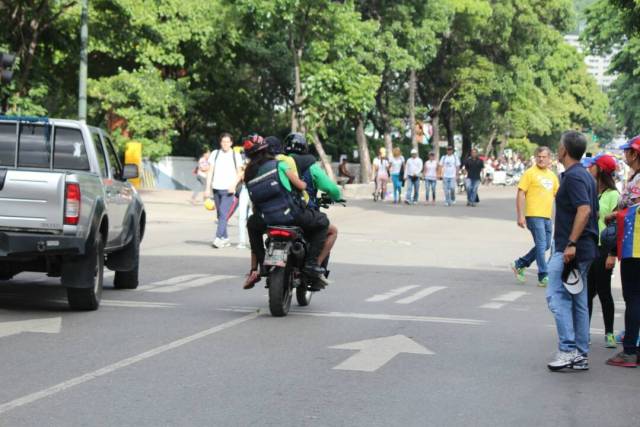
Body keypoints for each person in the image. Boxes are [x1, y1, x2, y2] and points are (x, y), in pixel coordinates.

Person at [242, 136, 329, 291]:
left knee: (251, 225)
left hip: (265, 219)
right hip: (292, 216)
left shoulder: (248, 174)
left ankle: (262, 263)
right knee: (323, 223)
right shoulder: (279, 165)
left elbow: (254, 201)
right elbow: (301, 185)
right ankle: (310, 264)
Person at [546, 131, 599, 372]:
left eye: (559, 146)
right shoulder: (584, 175)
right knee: (578, 300)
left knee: (557, 297)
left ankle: (568, 350)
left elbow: (584, 210)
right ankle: (580, 353)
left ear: (565, 150)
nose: (557, 150)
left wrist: (571, 244)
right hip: (583, 249)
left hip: (573, 249)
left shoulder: (575, 177)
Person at [605, 135, 640, 367]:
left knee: (634, 298)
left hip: (635, 246)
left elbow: (633, 210)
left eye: (627, 151)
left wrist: (614, 215)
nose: (625, 155)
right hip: (632, 245)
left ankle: (629, 352)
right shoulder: (633, 177)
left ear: (635, 154)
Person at [284, 133, 342, 267]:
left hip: (278, 212)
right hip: (303, 212)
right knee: (331, 231)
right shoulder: (311, 166)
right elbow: (331, 189)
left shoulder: (278, 163)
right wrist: (337, 197)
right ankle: (314, 265)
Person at [583, 154, 619, 348]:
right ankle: (584, 332)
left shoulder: (614, 195)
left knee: (604, 292)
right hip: (588, 247)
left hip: (604, 248)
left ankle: (609, 333)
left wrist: (612, 253)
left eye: (593, 166)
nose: (590, 168)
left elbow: (617, 226)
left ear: (601, 170)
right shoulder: (589, 191)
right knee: (587, 293)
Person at [511, 146, 559, 287]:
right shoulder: (529, 173)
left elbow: (559, 195)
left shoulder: (552, 176)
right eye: (539, 156)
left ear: (549, 158)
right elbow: (520, 193)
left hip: (547, 216)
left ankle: (520, 264)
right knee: (541, 244)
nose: (541, 159)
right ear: (535, 157)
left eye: (544, 157)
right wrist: (520, 215)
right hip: (533, 215)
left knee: (545, 245)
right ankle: (543, 275)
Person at [205, 133, 243, 248]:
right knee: (220, 214)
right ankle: (225, 238)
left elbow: (240, 172)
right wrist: (207, 188)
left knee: (223, 213)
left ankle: (218, 238)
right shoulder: (215, 154)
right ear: (220, 142)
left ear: (231, 143)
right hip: (216, 188)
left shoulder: (236, 155)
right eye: (223, 142)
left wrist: (234, 185)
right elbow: (210, 171)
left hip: (229, 189)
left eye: (227, 142)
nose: (225, 144)